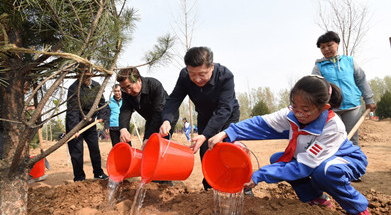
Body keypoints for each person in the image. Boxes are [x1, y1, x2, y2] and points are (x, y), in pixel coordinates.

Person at [205, 75, 369, 215]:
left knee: (324, 172)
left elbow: (303, 167)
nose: (298, 113)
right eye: (294, 106)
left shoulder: (333, 127)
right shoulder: (291, 115)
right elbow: (260, 124)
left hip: (345, 159)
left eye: (305, 109)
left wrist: (258, 175)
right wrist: (227, 133)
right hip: (312, 160)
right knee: (278, 160)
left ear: (323, 107)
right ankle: (316, 198)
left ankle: (357, 208)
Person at [159, 46, 243, 193]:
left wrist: (206, 134)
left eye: (202, 74)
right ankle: (211, 187)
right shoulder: (185, 76)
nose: (197, 79)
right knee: (206, 152)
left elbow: (224, 109)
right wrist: (166, 120)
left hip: (228, 116)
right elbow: (174, 99)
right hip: (205, 116)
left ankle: (241, 186)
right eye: (193, 74)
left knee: (230, 150)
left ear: (211, 66)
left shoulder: (225, 76)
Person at [312, 31, 376, 146]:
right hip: (332, 109)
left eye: (329, 45)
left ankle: (354, 163)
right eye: (322, 47)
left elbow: (361, 80)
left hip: (353, 107)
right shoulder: (318, 68)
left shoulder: (350, 61)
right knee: (336, 140)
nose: (326, 49)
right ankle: (338, 163)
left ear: (337, 44)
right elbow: (315, 90)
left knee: (352, 140)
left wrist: (369, 99)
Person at [66, 67, 109, 181]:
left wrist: (100, 117)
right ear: (78, 75)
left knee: (94, 148)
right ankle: (79, 177)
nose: (86, 78)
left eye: (88, 76)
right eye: (83, 76)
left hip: (90, 122)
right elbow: (72, 111)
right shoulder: (74, 89)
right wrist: (74, 129)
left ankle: (98, 173)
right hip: (76, 122)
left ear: (92, 75)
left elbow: (102, 104)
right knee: (77, 151)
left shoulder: (96, 86)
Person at [117, 67, 178, 145]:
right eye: (124, 88)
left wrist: (148, 138)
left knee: (159, 144)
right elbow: (125, 110)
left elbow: (158, 112)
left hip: (165, 116)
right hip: (151, 119)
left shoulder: (154, 85)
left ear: (138, 80)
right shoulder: (126, 93)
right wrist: (123, 129)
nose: (128, 91)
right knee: (146, 145)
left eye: (129, 87)